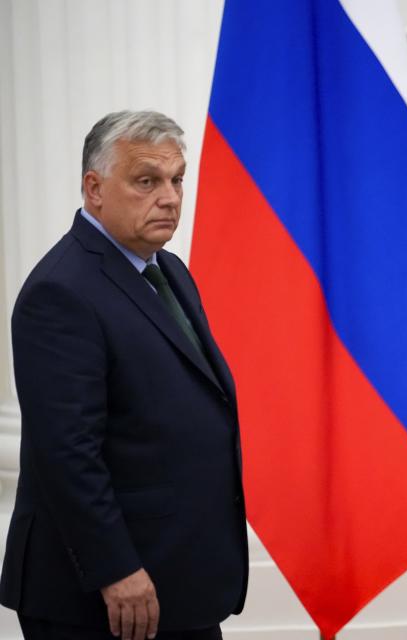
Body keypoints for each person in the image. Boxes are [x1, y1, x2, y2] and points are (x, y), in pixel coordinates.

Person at [0, 111, 248, 640]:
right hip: (104, 596)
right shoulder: (61, 292)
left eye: (178, 179)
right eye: (146, 181)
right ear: (94, 189)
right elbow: (67, 452)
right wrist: (114, 568)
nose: (170, 197)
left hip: (178, 579)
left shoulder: (169, 270)